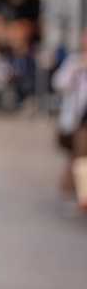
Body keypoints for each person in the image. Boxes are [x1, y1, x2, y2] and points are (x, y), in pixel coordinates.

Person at [53, 29, 87, 211]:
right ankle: (76, 195)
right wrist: (77, 69)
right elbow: (59, 83)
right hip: (80, 121)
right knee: (78, 158)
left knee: (78, 159)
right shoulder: (75, 61)